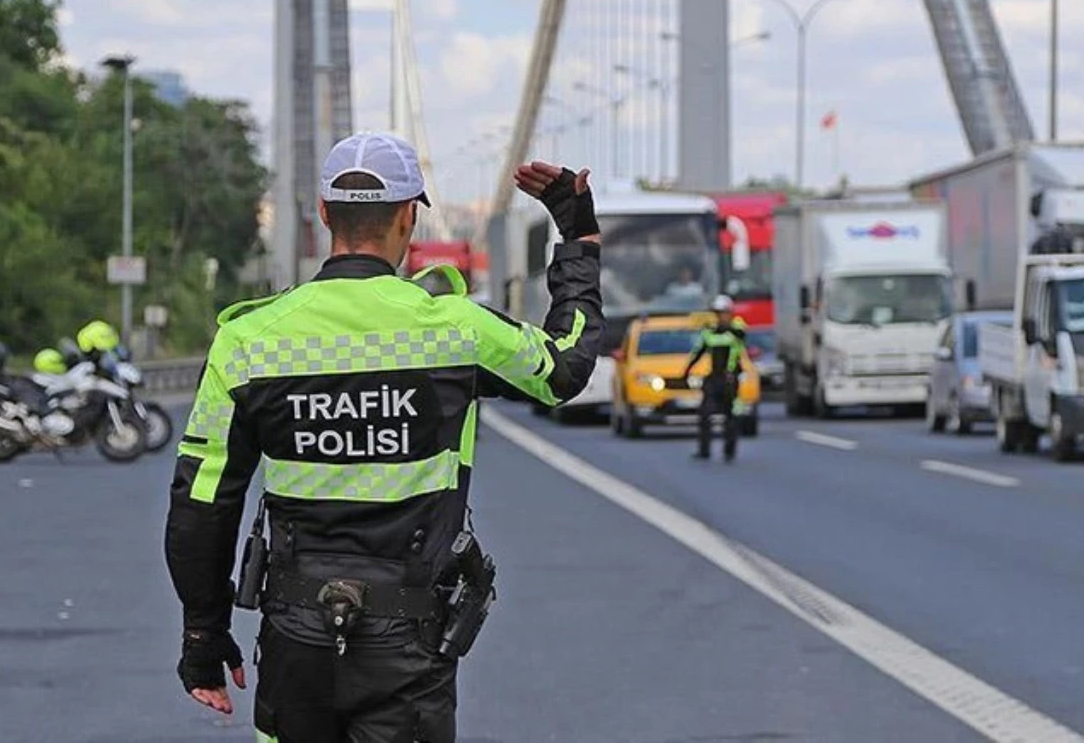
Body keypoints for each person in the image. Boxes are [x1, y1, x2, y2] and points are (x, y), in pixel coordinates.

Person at [164, 131, 604, 742]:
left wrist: (202, 636)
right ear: (408, 216)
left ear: (324, 215)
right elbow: (566, 367)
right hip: (410, 642)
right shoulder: (454, 329)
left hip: (295, 637)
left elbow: (201, 503)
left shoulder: (250, 341)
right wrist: (576, 238)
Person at [683, 295, 747, 462]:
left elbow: (740, 335)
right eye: (718, 313)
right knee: (705, 414)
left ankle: (729, 451)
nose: (720, 317)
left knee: (731, 416)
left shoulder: (736, 330)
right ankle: (704, 450)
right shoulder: (709, 333)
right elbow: (698, 352)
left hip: (730, 379)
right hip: (714, 378)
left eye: (723, 313)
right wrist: (686, 371)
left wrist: (726, 327)